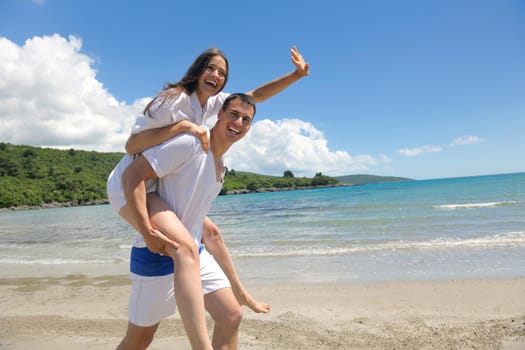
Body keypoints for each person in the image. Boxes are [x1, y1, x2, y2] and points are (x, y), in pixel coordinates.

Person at [107, 48, 309, 349]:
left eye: (222, 73)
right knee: (139, 339)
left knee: (229, 312)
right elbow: (131, 149)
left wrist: (295, 76)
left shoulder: (215, 122)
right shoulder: (178, 108)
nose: (216, 76)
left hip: (166, 207)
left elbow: (254, 96)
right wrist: (184, 127)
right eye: (211, 69)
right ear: (198, 69)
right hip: (131, 190)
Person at [118, 94, 257, 349]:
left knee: (231, 315)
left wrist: (240, 291)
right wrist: (148, 232)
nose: (238, 122)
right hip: (158, 255)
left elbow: (208, 229)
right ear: (219, 114)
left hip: (195, 253)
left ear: (248, 128)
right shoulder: (190, 144)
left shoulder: (220, 167)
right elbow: (132, 175)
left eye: (246, 119)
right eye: (234, 114)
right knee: (138, 341)